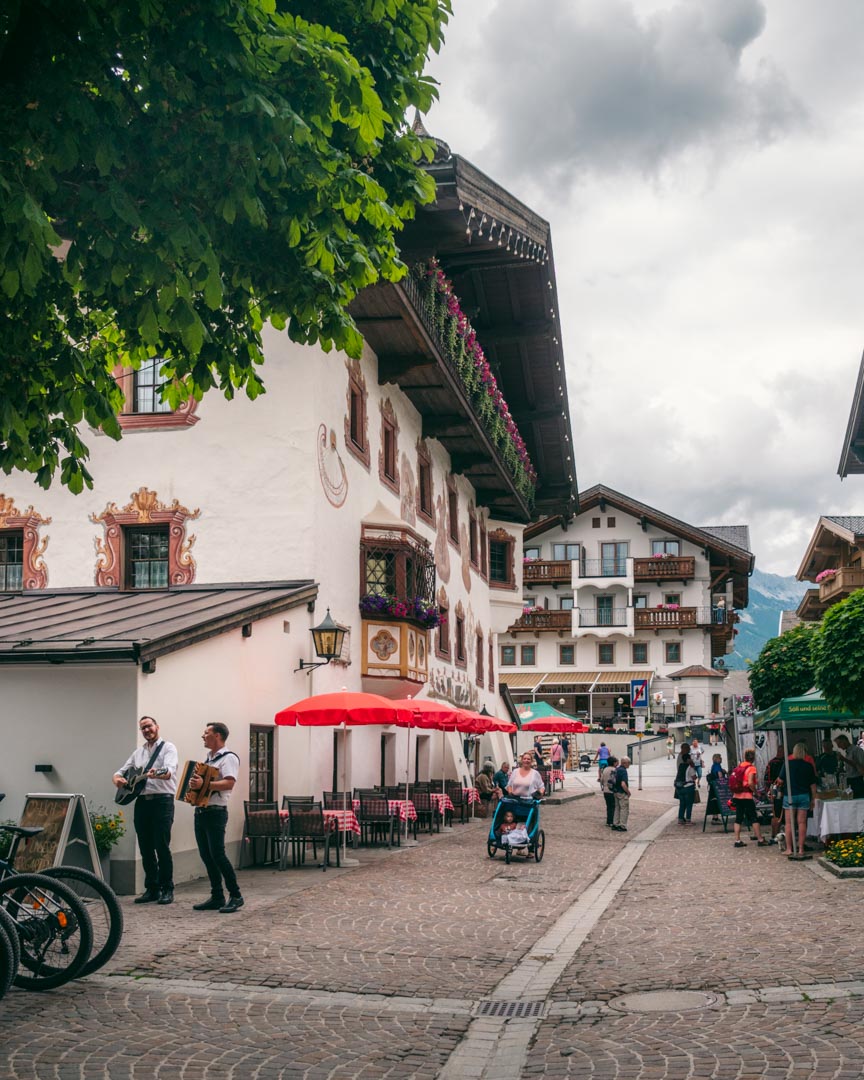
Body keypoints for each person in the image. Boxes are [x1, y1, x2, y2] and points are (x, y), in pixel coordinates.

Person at [113, 715, 178, 906]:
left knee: (162, 846)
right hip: (142, 803)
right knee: (145, 847)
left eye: (149, 726)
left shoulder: (168, 748)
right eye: (143, 728)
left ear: (157, 726)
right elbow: (120, 772)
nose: (146, 730)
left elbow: (168, 772)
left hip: (162, 802)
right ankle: (152, 889)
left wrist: (153, 774)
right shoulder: (138, 753)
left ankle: (167, 888)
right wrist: (117, 779)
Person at [190, 722, 244, 913]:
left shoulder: (228, 758)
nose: (203, 736)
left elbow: (229, 783)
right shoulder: (209, 759)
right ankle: (217, 896)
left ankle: (236, 895)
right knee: (207, 856)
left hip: (216, 813)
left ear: (218, 736)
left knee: (218, 855)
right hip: (202, 812)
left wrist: (205, 783)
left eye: (206, 733)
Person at [783, 741, 818, 858]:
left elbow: (780, 779)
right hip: (804, 795)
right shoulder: (808, 766)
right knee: (802, 822)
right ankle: (801, 849)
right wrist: (813, 798)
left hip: (790, 795)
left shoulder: (787, 764)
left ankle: (789, 848)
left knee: (789, 823)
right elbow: (813, 784)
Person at [732, 747, 767, 848]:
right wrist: (756, 792)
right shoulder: (751, 768)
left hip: (737, 796)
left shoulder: (740, 766)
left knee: (738, 818)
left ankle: (737, 840)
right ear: (753, 758)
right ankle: (760, 839)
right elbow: (751, 782)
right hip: (747, 796)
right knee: (753, 817)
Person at [764, 742, 786, 839]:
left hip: (774, 790)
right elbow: (768, 778)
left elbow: (766, 778)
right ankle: (775, 834)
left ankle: (775, 835)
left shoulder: (771, 762)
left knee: (776, 813)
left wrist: (768, 790)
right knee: (777, 814)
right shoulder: (781, 762)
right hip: (778, 790)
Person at [675, 749, 697, 825]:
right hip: (688, 787)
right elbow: (694, 777)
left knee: (682, 804)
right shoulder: (690, 767)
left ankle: (680, 819)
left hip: (679, 787)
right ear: (688, 759)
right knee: (689, 804)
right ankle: (688, 820)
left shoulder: (680, 766)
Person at [612, 756, 631, 832]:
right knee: (624, 809)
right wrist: (628, 792)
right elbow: (623, 784)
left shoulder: (616, 769)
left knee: (617, 808)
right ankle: (622, 825)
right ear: (625, 763)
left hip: (615, 792)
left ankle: (615, 824)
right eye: (629, 763)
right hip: (622, 792)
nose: (629, 764)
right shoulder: (623, 771)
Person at [706, 753, 726, 823]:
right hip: (717, 787)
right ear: (716, 759)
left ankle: (715, 817)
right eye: (720, 758)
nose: (721, 759)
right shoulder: (717, 766)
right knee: (717, 801)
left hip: (713, 787)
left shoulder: (714, 766)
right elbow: (720, 776)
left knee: (714, 801)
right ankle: (715, 818)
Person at [600, 754, 618, 828]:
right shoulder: (614, 770)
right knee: (613, 806)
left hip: (605, 791)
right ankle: (612, 821)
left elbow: (601, 780)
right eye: (616, 762)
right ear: (614, 763)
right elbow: (615, 780)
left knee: (608, 806)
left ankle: (608, 821)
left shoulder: (605, 769)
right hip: (612, 791)